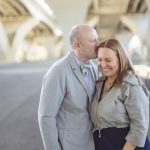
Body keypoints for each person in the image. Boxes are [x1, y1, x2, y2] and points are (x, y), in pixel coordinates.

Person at [38, 24, 100, 150]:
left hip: (93, 143)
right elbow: (46, 116)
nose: (98, 44)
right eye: (93, 40)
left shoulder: (94, 67)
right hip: (69, 145)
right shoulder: (58, 71)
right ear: (77, 45)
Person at [90, 39, 150, 150]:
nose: (103, 64)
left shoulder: (130, 85)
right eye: (100, 60)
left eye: (108, 60)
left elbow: (140, 124)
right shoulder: (99, 84)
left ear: (120, 59)